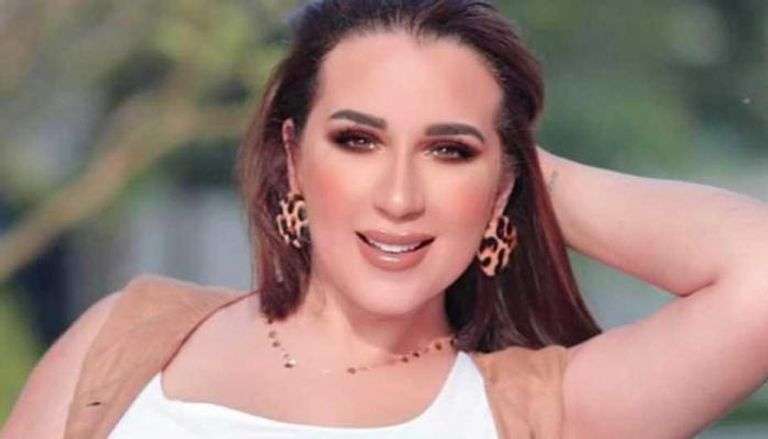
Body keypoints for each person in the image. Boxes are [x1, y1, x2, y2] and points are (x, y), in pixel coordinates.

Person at [3, 1, 768, 438]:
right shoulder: (126, 338)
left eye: (448, 150)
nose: (399, 196)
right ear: (293, 157)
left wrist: (519, 173)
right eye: (359, 140)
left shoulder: (538, 410)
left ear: (505, 185)